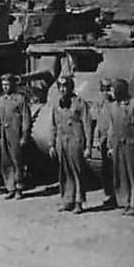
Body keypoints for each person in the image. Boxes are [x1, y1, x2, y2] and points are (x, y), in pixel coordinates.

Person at [94, 78, 134, 216]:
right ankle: (127, 202)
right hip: (118, 145)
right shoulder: (113, 107)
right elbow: (111, 129)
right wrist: (110, 146)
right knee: (122, 175)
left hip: (132, 143)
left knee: (133, 174)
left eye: (113, 89)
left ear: (120, 90)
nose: (111, 92)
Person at [49, 75, 93, 213]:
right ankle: (68, 200)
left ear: (71, 87)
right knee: (65, 171)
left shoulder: (80, 103)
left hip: (75, 140)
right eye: (60, 87)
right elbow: (53, 125)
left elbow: (87, 125)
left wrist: (88, 147)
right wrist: (51, 144)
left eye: (65, 86)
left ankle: (79, 201)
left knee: (77, 172)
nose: (62, 89)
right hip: (61, 141)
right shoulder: (57, 104)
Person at [0, 74, 32, 199]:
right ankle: (10, 187)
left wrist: (25, 135)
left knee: (17, 161)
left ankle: (19, 187)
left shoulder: (20, 99)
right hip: (4, 133)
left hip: (15, 133)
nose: (5, 87)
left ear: (13, 84)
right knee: (6, 161)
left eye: (7, 84)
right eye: (3, 85)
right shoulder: (1, 100)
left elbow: (26, 119)